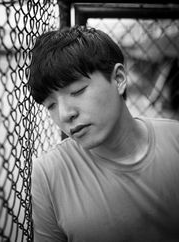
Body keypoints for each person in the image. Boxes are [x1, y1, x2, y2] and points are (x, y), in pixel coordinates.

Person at [27, 26, 179, 242]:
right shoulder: (49, 174)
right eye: (50, 105)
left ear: (118, 79)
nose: (64, 114)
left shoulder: (175, 139)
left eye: (77, 91)